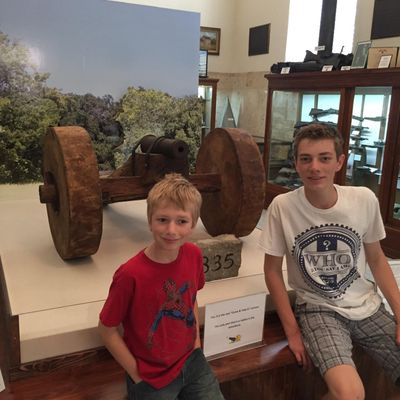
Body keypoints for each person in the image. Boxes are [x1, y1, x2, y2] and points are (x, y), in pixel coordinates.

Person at [260, 123, 400, 399]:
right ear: (296, 163)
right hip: (318, 308)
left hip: (366, 305)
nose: (315, 167)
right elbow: (272, 271)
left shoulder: (364, 199)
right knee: (350, 394)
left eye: (324, 158)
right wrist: (293, 332)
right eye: (306, 159)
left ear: (339, 161)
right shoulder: (283, 206)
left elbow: (376, 259)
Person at [99, 173, 225, 400]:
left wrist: (196, 344)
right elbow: (107, 329)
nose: (171, 230)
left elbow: (191, 297)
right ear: (150, 221)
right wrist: (137, 374)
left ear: (193, 224)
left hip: (191, 360)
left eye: (181, 221)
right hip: (151, 375)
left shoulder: (193, 254)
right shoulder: (130, 275)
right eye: (163, 220)